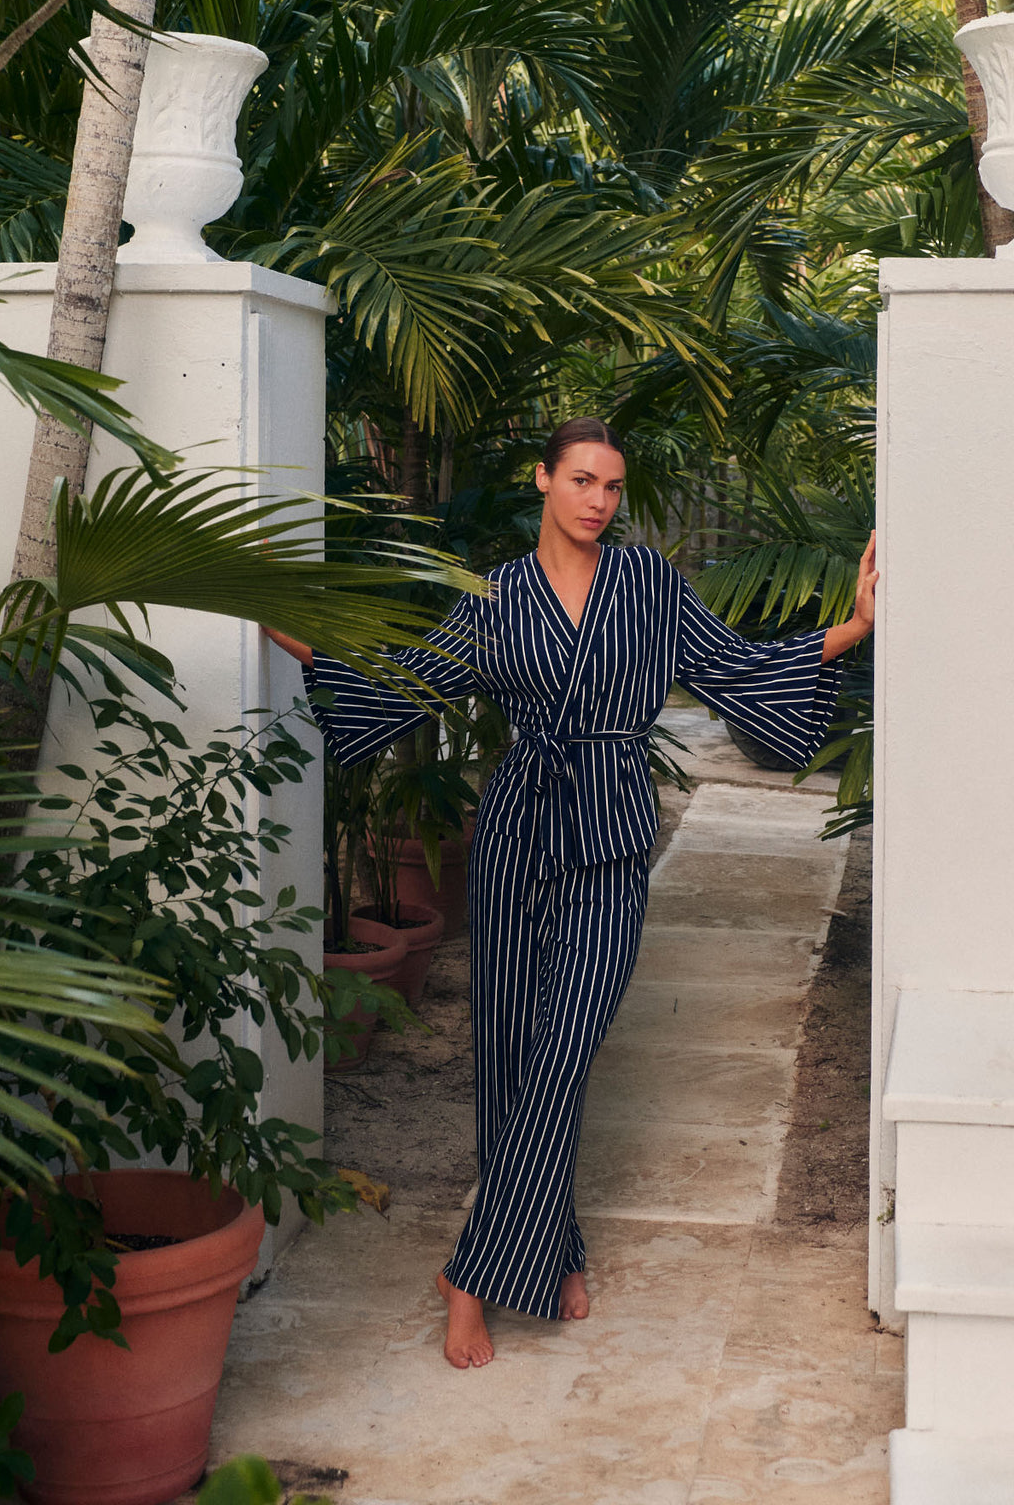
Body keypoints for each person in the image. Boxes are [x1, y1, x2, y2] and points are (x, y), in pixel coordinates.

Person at [264, 416, 877, 1371]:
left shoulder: (648, 586)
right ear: (543, 479)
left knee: (565, 1048)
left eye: (613, 488)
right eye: (583, 480)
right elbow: (411, 678)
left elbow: (736, 670)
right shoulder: (498, 596)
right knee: (512, 1053)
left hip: (611, 834)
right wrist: (297, 637)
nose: (600, 501)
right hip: (516, 835)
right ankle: (552, 1250)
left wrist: (856, 628)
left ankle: (471, 1271)